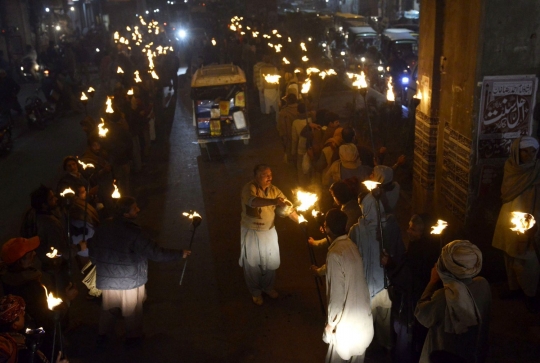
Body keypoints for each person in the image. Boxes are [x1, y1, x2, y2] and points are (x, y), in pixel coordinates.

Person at [88, 196, 190, 344]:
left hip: (108, 278)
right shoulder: (134, 233)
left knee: (108, 308)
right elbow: (155, 253)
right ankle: (133, 338)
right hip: (130, 281)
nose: (138, 210)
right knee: (132, 311)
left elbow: (93, 250)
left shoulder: (104, 227)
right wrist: (179, 254)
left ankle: (102, 334)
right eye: (134, 208)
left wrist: (101, 266)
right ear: (125, 213)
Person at [311, 209, 373, 363]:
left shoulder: (334, 254)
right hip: (363, 323)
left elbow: (337, 297)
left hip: (347, 328)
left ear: (327, 229)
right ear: (345, 227)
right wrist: (319, 272)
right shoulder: (351, 245)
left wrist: (330, 324)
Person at [415, 240, 491, 363]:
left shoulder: (445, 296)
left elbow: (422, 314)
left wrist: (432, 282)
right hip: (472, 347)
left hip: (445, 353)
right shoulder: (482, 284)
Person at [0, 237, 78, 354]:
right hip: (40, 340)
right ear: (21, 261)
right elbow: (48, 319)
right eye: (30, 252)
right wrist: (67, 300)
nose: (35, 253)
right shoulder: (30, 288)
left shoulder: (7, 278)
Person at [492, 136, 540, 313]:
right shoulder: (510, 167)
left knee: (528, 258)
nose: (529, 155)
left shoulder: (537, 169)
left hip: (531, 215)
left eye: (533, 151)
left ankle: (530, 294)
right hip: (509, 214)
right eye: (525, 151)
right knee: (509, 253)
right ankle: (514, 288)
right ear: (516, 152)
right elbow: (507, 191)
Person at [383, 214, 440, 363]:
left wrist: (390, 264)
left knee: (410, 334)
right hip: (415, 297)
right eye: (409, 227)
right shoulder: (418, 245)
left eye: (413, 229)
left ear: (424, 232)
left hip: (414, 300)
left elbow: (409, 277)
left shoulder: (425, 250)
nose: (408, 231)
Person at [239, 164, 299, 306]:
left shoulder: (274, 190)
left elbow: (288, 209)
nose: (269, 177)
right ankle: (255, 292)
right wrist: (273, 202)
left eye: (270, 174)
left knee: (270, 263)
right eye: (265, 175)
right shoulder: (249, 188)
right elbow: (253, 202)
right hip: (251, 232)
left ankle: (267, 287)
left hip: (269, 231)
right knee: (252, 264)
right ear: (256, 176)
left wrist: (300, 220)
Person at [0, 295, 50, 363]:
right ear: (15, 325)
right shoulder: (14, 347)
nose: (24, 314)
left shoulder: (22, 334)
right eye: (21, 314)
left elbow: (40, 331)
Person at [277, 94, 299, 163]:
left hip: (289, 136)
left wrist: (282, 136)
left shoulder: (284, 112)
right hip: (300, 135)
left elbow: (281, 126)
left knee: (291, 152)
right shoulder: (301, 108)